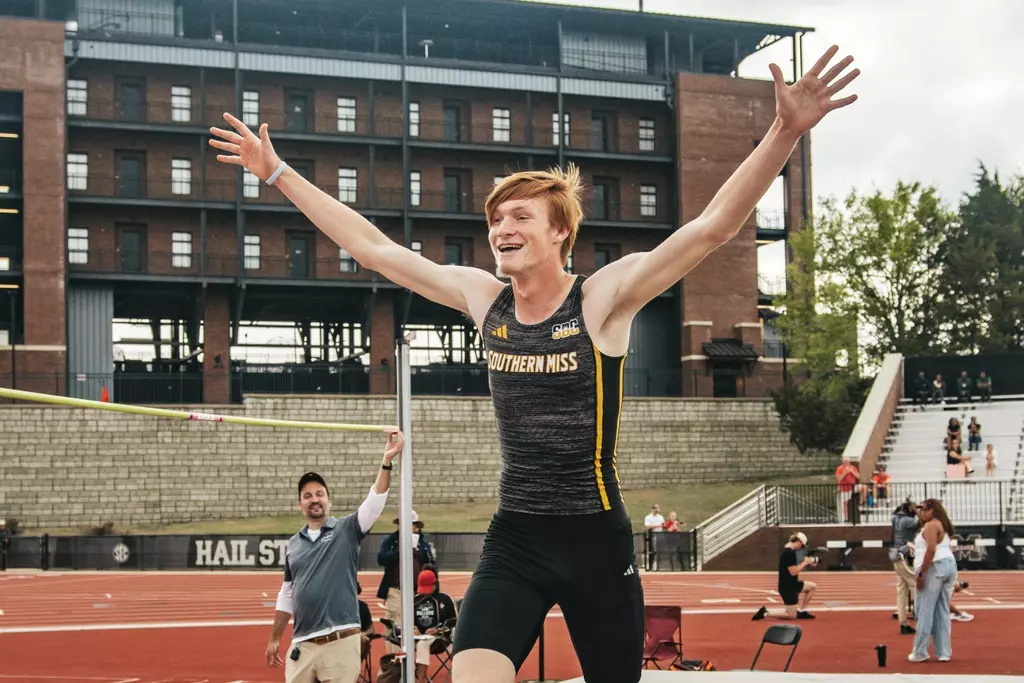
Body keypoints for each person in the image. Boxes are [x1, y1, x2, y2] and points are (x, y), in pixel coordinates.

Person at [211, 45, 860, 683]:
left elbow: (712, 228)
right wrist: (277, 173)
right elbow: (374, 248)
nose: (501, 227)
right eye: (495, 219)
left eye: (520, 215)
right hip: (515, 538)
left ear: (560, 234)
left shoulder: (602, 300)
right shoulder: (483, 299)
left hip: (597, 543)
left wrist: (782, 130)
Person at [266, 430, 403, 683]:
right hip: (302, 645)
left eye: (319, 494)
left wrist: (386, 462)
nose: (314, 499)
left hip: (340, 642)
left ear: (329, 501)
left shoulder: (346, 529)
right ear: (300, 505)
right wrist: (275, 637)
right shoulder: (294, 544)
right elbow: (286, 594)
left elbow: (375, 501)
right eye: (307, 496)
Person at [377, 510, 435, 653]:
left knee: (415, 626)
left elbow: (431, 565)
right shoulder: (390, 541)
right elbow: (381, 559)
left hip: (417, 593)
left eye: (412, 525)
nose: (409, 528)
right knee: (395, 626)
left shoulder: (424, 545)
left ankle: (409, 664)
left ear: (417, 527)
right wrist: (402, 550)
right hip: (396, 590)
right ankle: (393, 664)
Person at [908, 498, 958, 663]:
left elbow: (931, 549)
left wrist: (921, 573)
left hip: (934, 567)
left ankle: (920, 652)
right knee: (942, 610)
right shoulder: (943, 524)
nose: (921, 512)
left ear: (933, 510)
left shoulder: (931, 525)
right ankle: (944, 652)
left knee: (924, 610)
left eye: (924, 509)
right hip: (948, 564)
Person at [752, 532, 818, 621]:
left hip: (792, 584)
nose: (801, 548)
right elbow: (793, 572)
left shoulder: (789, 551)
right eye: (802, 546)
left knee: (812, 587)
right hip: (788, 587)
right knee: (791, 616)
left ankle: (802, 611)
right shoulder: (788, 553)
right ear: (798, 542)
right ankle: (766, 612)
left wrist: (808, 564)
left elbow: (793, 566)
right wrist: (805, 563)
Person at [890, 501, 919, 634]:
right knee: (916, 585)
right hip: (904, 556)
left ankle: (903, 623)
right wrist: (918, 511)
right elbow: (922, 523)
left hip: (896, 554)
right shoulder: (907, 521)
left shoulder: (895, 518)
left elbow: (894, 514)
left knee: (901, 590)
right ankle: (919, 616)